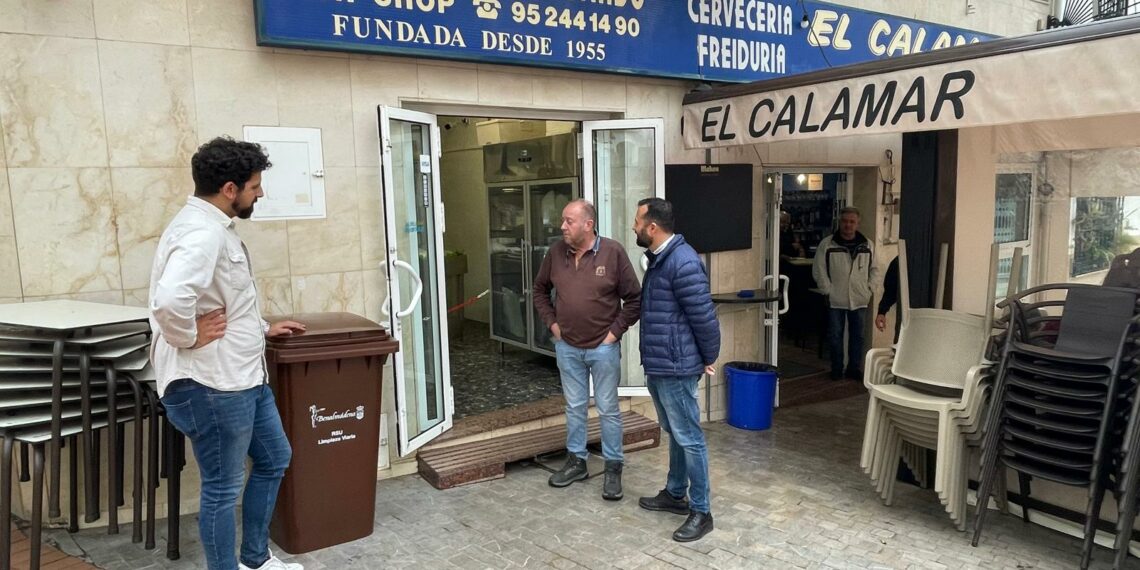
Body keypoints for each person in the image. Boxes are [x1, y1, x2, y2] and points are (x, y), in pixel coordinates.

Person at [149, 137, 306, 570]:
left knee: (275, 458)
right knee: (222, 486)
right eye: (256, 186)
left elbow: (224, 302)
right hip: (212, 385)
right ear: (231, 189)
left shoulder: (214, 227)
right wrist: (187, 337)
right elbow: (170, 302)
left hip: (242, 379)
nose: (261, 194)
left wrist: (261, 328)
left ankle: (255, 560)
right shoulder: (201, 233)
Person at [533, 199, 641, 500]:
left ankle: (613, 468)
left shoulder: (613, 252)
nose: (562, 226)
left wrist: (613, 334)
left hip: (602, 348)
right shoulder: (556, 253)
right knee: (575, 406)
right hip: (567, 346)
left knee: (608, 409)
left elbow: (634, 299)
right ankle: (576, 461)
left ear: (588, 224)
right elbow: (540, 290)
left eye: (569, 221)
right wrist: (553, 326)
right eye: (563, 221)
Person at [631, 197, 721, 543]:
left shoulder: (682, 262)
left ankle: (701, 510)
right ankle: (674, 493)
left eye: (638, 221)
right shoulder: (660, 259)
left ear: (652, 227)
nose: (634, 227)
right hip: (661, 363)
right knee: (676, 431)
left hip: (676, 365)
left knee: (689, 437)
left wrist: (709, 356)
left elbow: (704, 316)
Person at [812, 206, 879, 381]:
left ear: (857, 223)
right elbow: (819, 269)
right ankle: (836, 368)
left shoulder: (868, 245)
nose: (848, 225)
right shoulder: (827, 244)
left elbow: (876, 269)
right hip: (836, 298)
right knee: (835, 335)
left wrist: (869, 288)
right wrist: (827, 289)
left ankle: (853, 368)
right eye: (845, 221)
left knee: (858, 335)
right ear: (839, 222)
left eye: (852, 222)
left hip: (859, 298)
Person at [875, 256, 901, 343]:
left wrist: (882, 311)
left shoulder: (900, 259)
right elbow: (891, 289)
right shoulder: (900, 260)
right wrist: (882, 311)